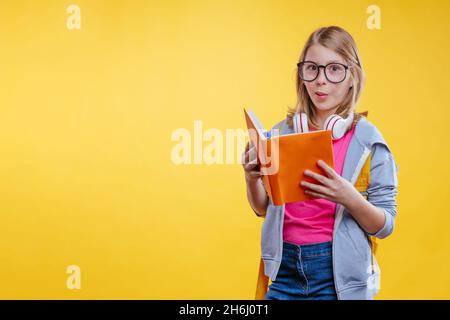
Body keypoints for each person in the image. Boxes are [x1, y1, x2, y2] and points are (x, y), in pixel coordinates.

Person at [242, 26, 399, 300]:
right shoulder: (281, 133)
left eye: (334, 69)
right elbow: (263, 208)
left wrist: (349, 198)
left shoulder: (369, 142)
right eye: (312, 68)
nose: (320, 80)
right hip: (283, 270)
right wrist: (252, 177)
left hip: (337, 276)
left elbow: (384, 225)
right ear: (301, 75)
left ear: (353, 77)